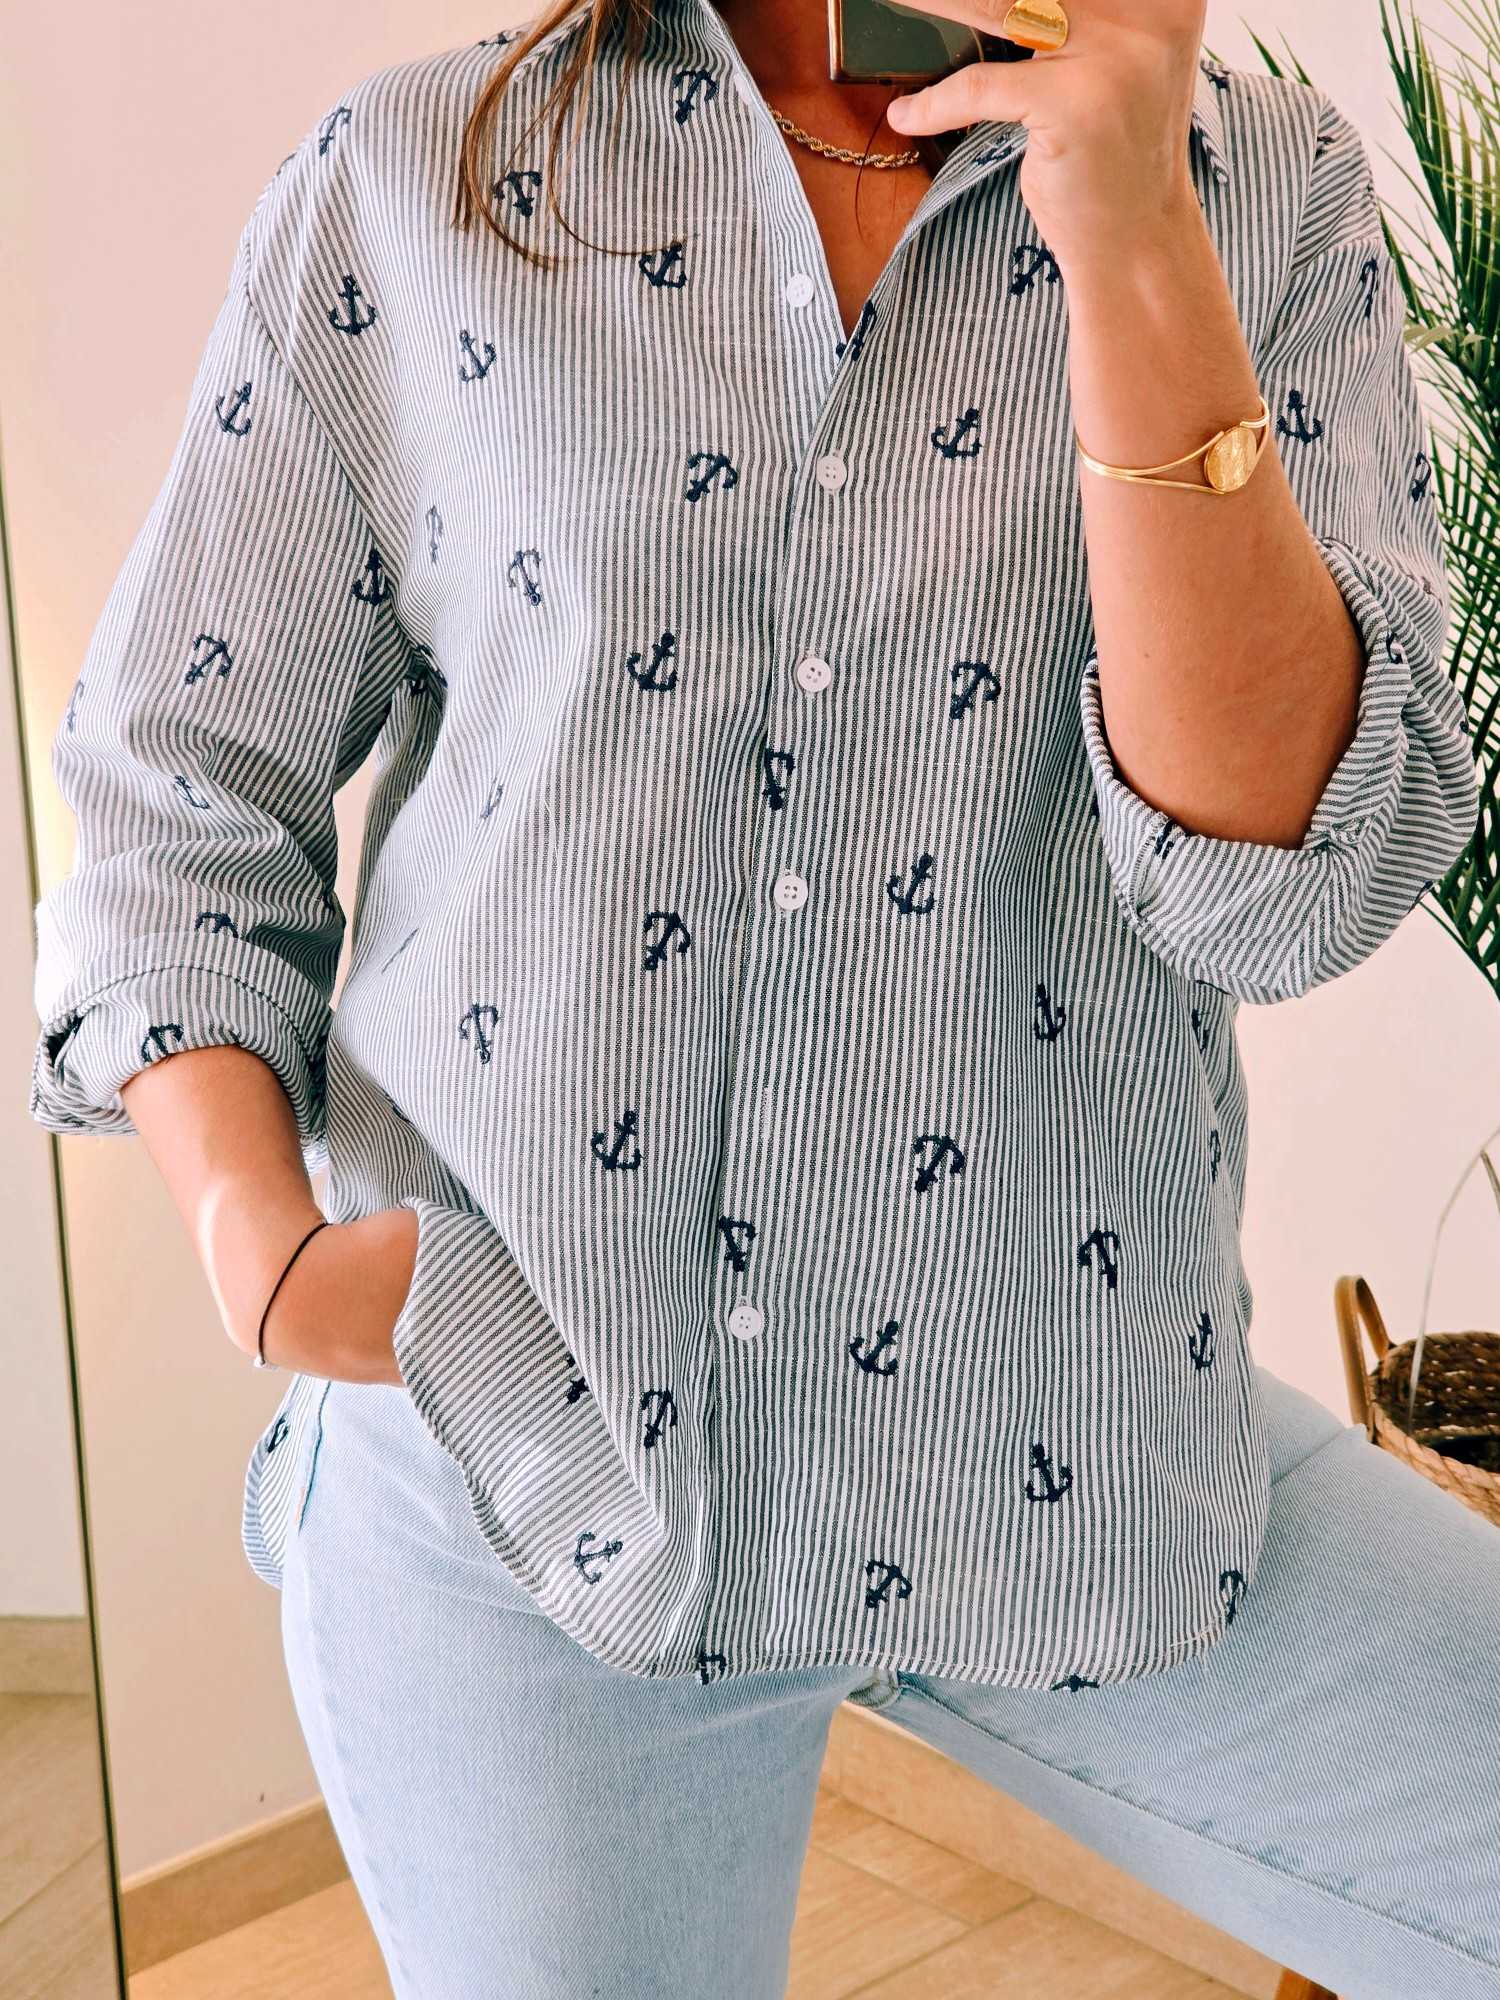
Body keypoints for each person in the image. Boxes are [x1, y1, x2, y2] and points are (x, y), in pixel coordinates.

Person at [28, 0, 1497, 1993]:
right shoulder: (420, 174)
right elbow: (182, 782)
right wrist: (258, 1239)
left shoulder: (1264, 195)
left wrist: (1136, 233)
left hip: (1072, 1438)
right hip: (538, 1468)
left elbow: (1278, 891)